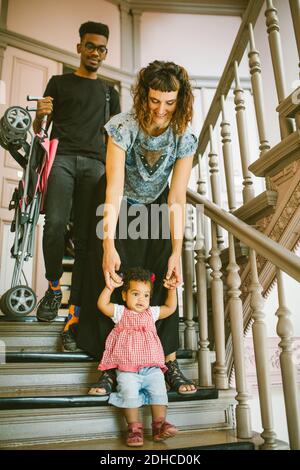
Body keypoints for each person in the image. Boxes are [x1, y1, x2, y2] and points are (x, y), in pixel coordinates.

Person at [76, 60, 198, 396]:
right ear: (143, 95)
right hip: (120, 202)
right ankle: (110, 365)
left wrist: (175, 251)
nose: (161, 110)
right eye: (155, 100)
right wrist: (108, 244)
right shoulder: (122, 126)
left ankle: (168, 360)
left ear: (180, 100)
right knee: (115, 276)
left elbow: (176, 196)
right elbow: (113, 187)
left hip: (157, 203)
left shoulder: (184, 135)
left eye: (170, 102)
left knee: (166, 274)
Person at [32, 21, 120, 352]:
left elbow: (116, 138)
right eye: (90, 45)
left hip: (96, 166)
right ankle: (54, 289)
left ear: (104, 52)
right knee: (54, 224)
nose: (95, 52)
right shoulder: (59, 81)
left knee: (86, 242)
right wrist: (40, 116)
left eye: (101, 48)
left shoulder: (111, 92)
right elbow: (41, 128)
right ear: (79, 47)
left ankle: (74, 316)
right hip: (64, 158)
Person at [98, 267, 178, 447]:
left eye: (146, 295)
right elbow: (103, 305)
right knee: (129, 394)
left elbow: (170, 307)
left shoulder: (152, 313)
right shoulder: (120, 313)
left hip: (152, 368)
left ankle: (159, 425)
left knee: (159, 392)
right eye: (135, 294)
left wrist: (171, 289)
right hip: (127, 369)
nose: (141, 299)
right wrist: (109, 288)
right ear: (125, 295)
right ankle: (134, 429)